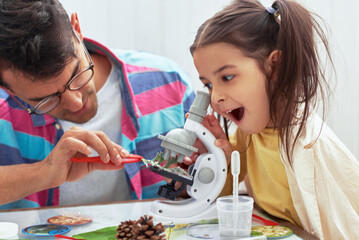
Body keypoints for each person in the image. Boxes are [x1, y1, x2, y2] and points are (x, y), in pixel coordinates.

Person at [188, 0, 359, 239]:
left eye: (227, 76)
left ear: (275, 67)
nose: (214, 98)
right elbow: (223, 202)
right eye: (207, 84)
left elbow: (342, 228)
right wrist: (220, 160)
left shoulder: (310, 146)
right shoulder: (247, 134)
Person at [0, 0, 195, 209]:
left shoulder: (170, 83)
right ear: (8, 89)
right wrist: (44, 173)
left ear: (77, 29)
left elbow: (201, 195)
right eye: (46, 100)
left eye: (76, 75)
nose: (75, 103)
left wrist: (195, 179)